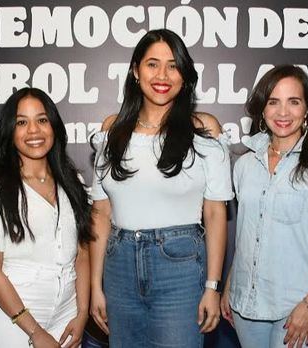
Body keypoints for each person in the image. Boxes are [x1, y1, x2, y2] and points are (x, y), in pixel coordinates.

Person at [89, 29, 233, 347]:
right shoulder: (111, 129)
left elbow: (215, 212)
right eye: (153, 64)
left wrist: (212, 284)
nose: (162, 75)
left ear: (184, 75)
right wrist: (95, 286)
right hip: (119, 267)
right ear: (135, 71)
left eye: (173, 65)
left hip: (181, 267)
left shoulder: (205, 128)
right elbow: (100, 212)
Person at [220, 65, 308, 348]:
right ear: (262, 110)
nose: (283, 112)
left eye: (293, 102)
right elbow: (251, 232)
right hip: (246, 307)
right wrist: (229, 286)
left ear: (307, 109)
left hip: (298, 307)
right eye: (273, 102)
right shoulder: (245, 165)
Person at [0, 87, 93, 348]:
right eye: (22, 123)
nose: (34, 131)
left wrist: (82, 313)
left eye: (42, 120)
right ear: (9, 132)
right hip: (14, 319)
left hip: (67, 315)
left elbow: (82, 254)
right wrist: (35, 332)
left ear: (54, 127)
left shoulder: (74, 183)